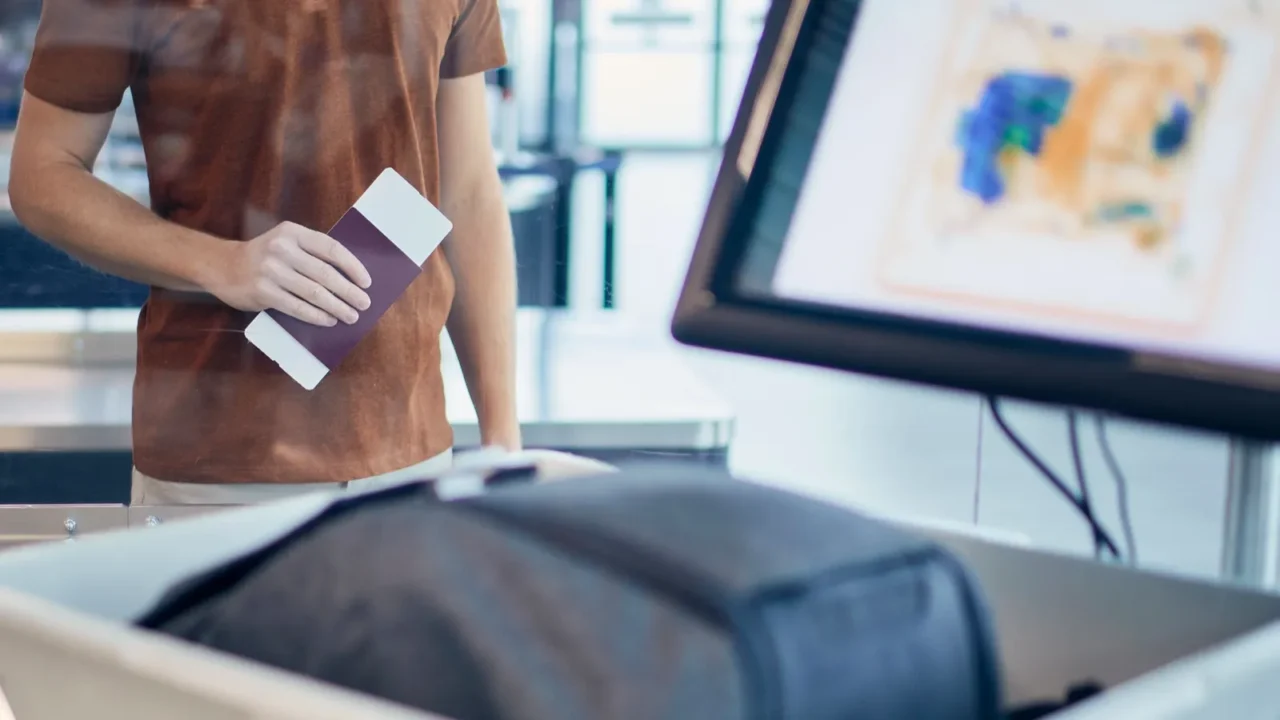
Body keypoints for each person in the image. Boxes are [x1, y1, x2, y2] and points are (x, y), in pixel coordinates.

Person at [8, 0, 520, 505]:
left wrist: (502, 441)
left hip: (414, 458)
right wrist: (220, 262)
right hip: (221, 464)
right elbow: (43, 173)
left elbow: (467, 192)